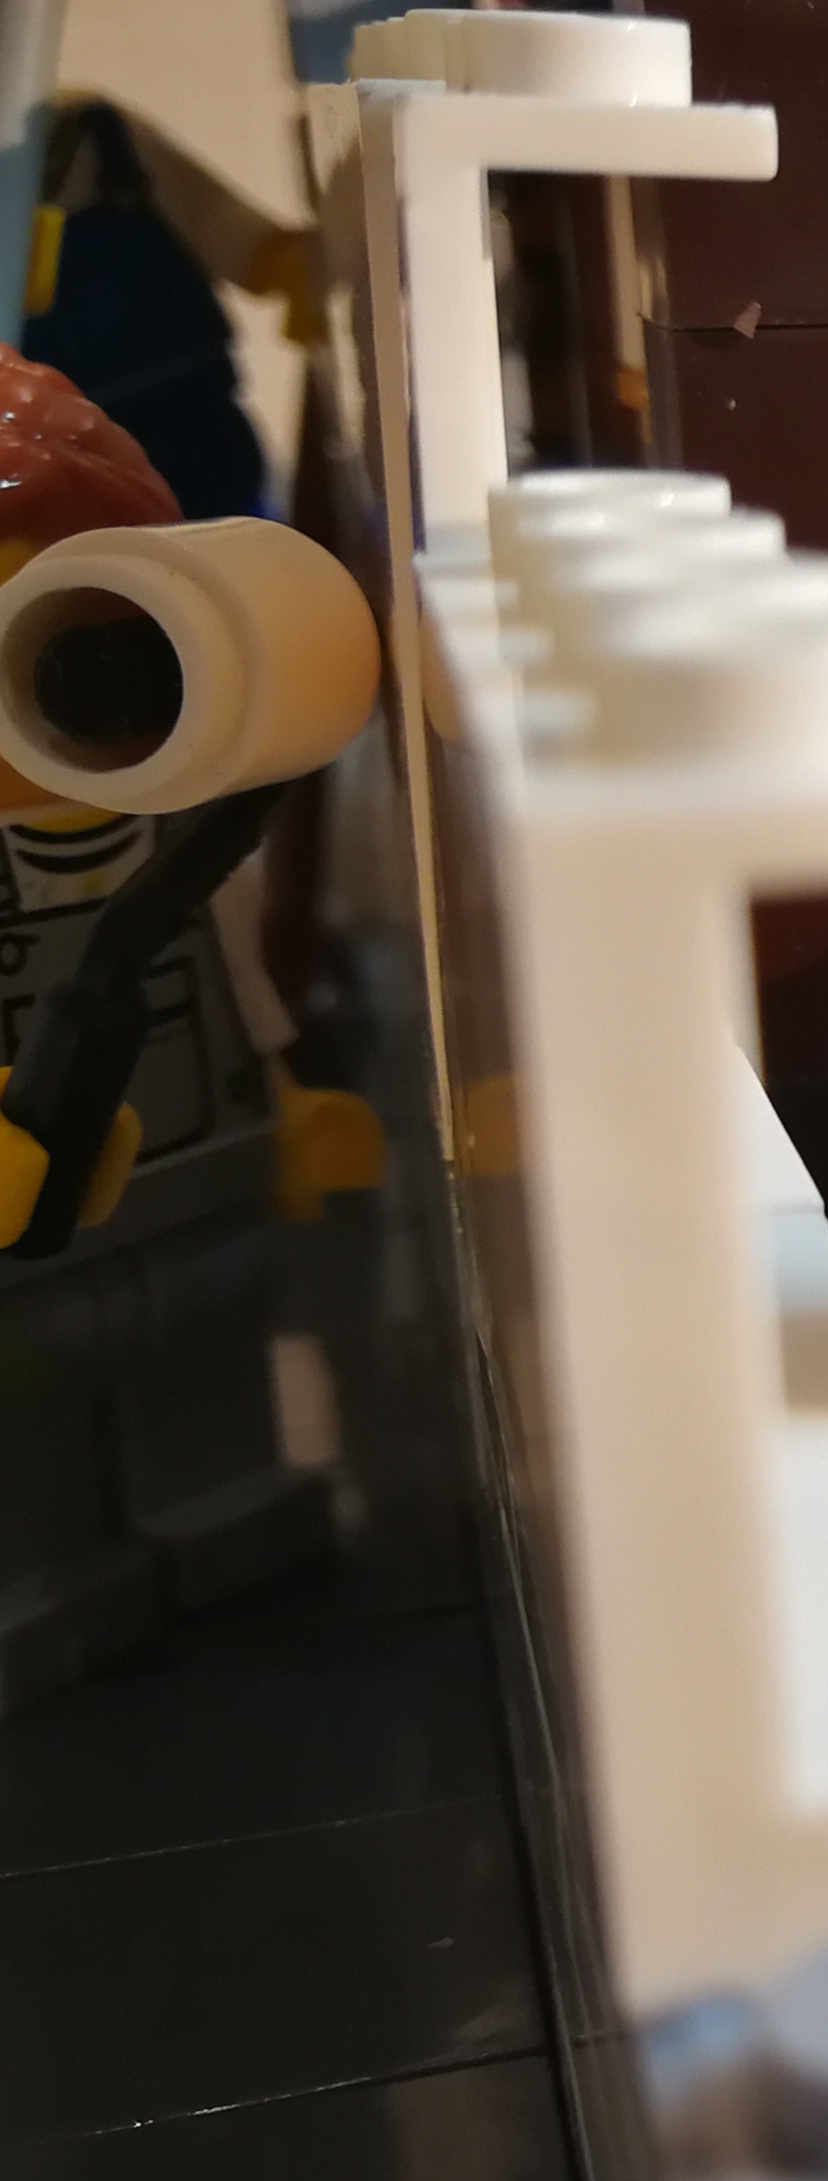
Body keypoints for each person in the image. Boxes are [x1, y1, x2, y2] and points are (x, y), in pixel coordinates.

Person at [0, 347, 379, 1708]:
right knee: (32, 1395)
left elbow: (223, 952)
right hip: (23, 1204)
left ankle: (226, 1505)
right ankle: (45, 1579)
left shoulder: (170, 812)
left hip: (197, 1151)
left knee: (205, 1342)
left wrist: (286, 1094)